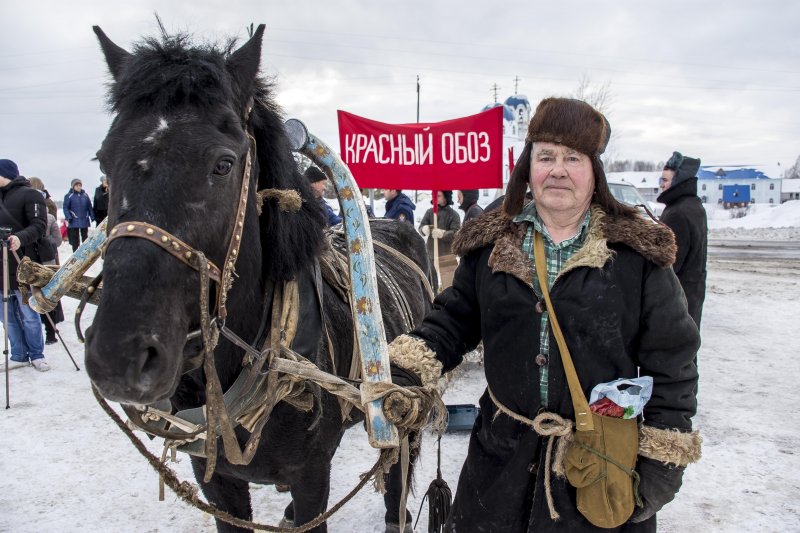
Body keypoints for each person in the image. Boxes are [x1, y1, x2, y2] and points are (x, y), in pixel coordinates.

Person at [386, 98, 701, 531]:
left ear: (594, 173)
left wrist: (661, 464)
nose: (558, 169)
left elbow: (674, 363)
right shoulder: (492, 242)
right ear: (527, 167)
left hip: (597, 471)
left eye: (573, 158)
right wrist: (408, 367)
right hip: (496, 470)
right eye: (546, 156)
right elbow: (454, 320)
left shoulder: (637, 255)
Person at [0, 159, 50, 371]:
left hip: (22, 262)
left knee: (28, 313)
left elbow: (40, 225)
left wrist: (19, 238)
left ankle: (36, 354)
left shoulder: (31, 194)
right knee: (6, 315)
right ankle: (18, 354)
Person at [658, 152, 707, 329]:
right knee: (687, 348)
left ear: (678, 181)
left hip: (676, 298)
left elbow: (667, 265)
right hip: (691, 293)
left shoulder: (678, 213)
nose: (661, 185)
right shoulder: (693, 205)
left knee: (676, 350)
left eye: (664, 180)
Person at [27, 177, 65, 345]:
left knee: (35, 292)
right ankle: (51, 331)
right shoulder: (48, 213)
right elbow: (57, 240)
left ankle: (43, 330)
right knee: (48, 293)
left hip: (32, 258)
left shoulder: (26, 215)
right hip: (48, 257)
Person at [418, 190, 461, 257]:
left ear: (446, 197)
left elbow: (456, 234)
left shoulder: (454, 214)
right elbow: (421, 227)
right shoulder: (429, 212)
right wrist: (423, 229)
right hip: (430, 255)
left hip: (447, 256)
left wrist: (443, 234)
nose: (435, 198)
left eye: (438, 196)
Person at [63, 178, 94, 251]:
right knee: (75, 239)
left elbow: (89, 207)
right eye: (76, 185)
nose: (78, 187)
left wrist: (92, 216)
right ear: (73, 186)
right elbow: (65, 208)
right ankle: (75, 252)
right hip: (74, 220)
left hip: (84, 219)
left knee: (85, 237)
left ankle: (85, 251)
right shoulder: (69, 196)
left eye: (80, 185)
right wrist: (68, 217)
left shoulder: (85, 195)